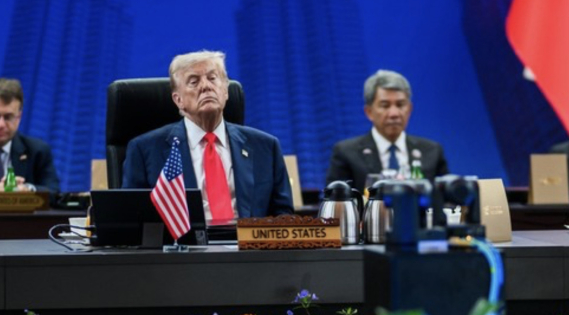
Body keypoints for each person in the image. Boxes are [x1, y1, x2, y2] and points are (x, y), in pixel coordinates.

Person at [122, 50, 293, 220]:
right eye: (194, 82)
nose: (205, 86)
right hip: (184, 238)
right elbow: (132, 219)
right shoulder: (145, 150)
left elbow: (284, 216)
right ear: (178, 100)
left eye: (212, 78)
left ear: (225, 91)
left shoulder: (266, 147)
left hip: (247, 237)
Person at [326, 69, 449, 193]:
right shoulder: (347, 153)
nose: (394, 113)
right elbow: (334, 199)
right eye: (385, 105)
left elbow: (447, 200)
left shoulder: (431, 151)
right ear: (369, 112)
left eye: (400, 105)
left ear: (410, 109)